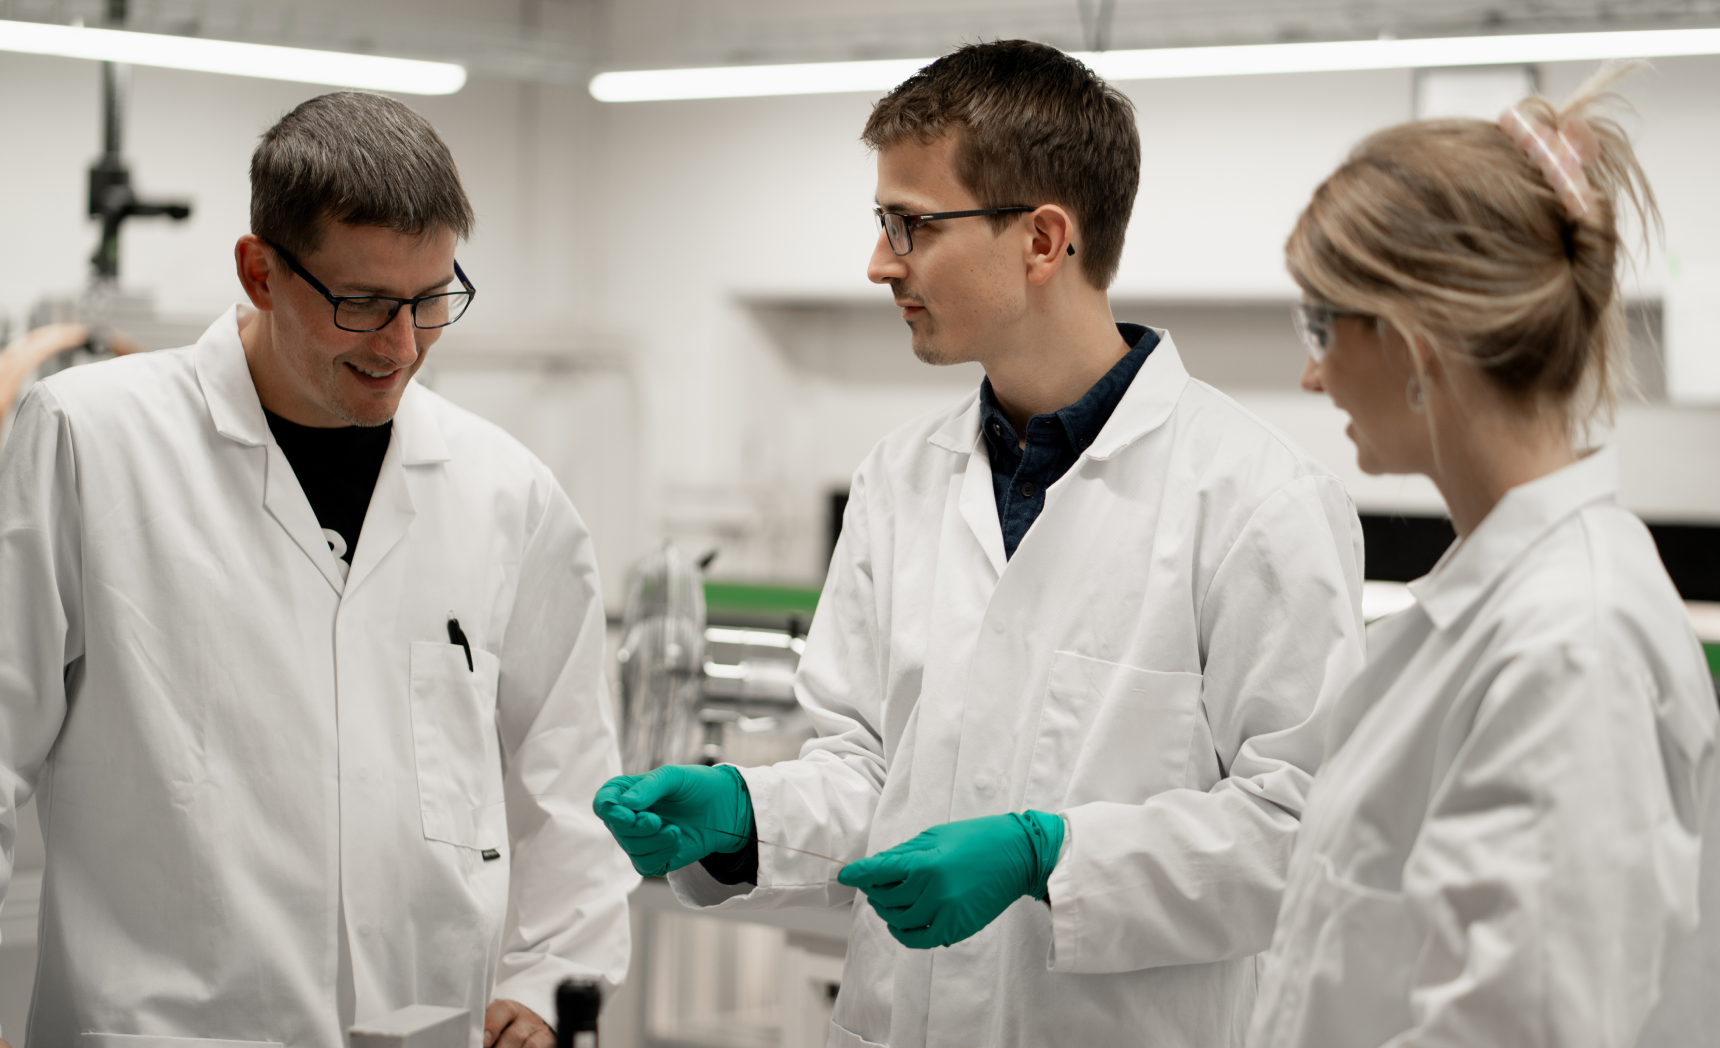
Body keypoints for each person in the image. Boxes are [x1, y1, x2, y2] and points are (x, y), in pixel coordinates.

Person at [597, 41, 1367, 1047]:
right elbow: (870, 771)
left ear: (1042, 241)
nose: (880, 263)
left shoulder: (1255, 499)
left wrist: (1053, 856)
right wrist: (746, 813)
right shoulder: (898, 478)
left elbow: (1308, 829)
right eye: (883, 224)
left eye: (909, 225)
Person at [0, 92, 636, 1048]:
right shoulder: (90, 440)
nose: (403, 346)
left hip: (424, 1029)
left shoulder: (508, 493)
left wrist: (553, 979)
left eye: (431, 301)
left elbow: (571, 770)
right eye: (364, 304)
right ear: (259, 271)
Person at [1245, 66, 1717, 1048]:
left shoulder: (1567, 649)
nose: (1311, 368)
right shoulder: (1500, 609)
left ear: (1417, 343)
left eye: (1324, 323)